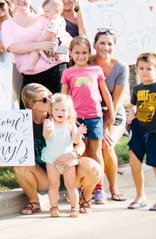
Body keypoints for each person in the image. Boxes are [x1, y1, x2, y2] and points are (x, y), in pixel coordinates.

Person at [13, 83, 102, 215]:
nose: (51, 101)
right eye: (44, 99)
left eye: (50, 96)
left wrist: (74, 153)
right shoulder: (21, 123)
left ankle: (85, 199)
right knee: (19, 165)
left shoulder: (63, 116)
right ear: (32, 105)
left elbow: (81, 144)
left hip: (69, 169)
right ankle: (34, 202)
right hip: (45, 175)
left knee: (93, 167)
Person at [61, 37, 114, 195]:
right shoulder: (68, 73)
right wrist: (65, 117)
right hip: (76, 119)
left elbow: (105, 92)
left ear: (89, 53)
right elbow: (64, 96)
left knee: (96, 152)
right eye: (77, 53)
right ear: (70, 53)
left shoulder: (95, 70)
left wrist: (110, 112)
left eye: (84, 52)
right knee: (81, 152)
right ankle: (80, 184)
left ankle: (99, 187)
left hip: (94, 117)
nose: (81, 56)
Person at [3, 0, 66, 97]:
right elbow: (13, 48)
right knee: (29, 113)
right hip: (29, 76)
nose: (21, 0)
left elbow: (65, 42)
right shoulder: (8, 24)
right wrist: (40, 45)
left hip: (53, 70)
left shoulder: (44, 18)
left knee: (56, 111)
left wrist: (56, 47)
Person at [91, 29, 128, 203]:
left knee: (106, 144)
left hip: (113, 112)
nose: (106, 47)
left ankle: (114, 187)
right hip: (91, 114)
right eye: (102, 43)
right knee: (91, 146)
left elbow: (116, 101)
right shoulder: (87, 62)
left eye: (110, 43)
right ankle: (95, 187)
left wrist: (106, 125)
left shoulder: (121, 67)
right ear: (94, 45)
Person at [41, 94, 83, 218]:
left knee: (71, 185)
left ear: (69, 112)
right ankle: (54, 207)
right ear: (51, 110)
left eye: (63, 110)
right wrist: (49, 129)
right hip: (51, 160)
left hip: (68, 162)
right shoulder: (48, 122)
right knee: (53, 185)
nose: (60, 112)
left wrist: (79, 133)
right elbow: (46, 136)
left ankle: (75, 207)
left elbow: (75, 140)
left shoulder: (70, 125)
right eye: (56, 109)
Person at [127, 52, 156, 210]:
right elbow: (132, 104)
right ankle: (140, 196)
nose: (144, 71)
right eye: (141, 68)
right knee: (134, 161)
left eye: (149, 68)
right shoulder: (137, 89)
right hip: (139, 128)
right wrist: (131, 114)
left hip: (154, 131)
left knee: (155, 165)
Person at [21, 0, 66, 73]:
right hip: (58, 46)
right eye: (44, 11)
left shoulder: (53, 22)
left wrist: (38, 41)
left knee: (35, 49)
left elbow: (50, 34)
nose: (45, 14)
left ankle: (31, 64)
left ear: (57, 11)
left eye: (47, 11)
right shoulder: (61, 19)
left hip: (50, 43)